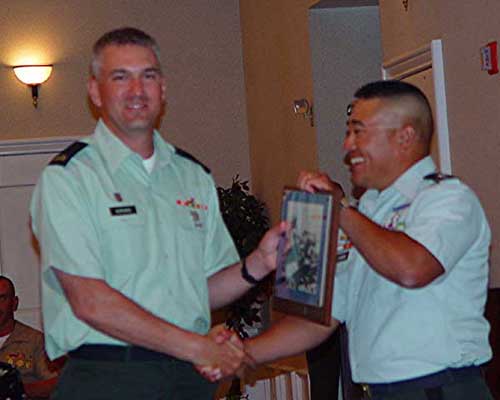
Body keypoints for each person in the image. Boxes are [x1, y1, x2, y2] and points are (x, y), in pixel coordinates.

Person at [29, 27, 284, 400]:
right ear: (95, 91)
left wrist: (259, 263)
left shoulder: (192, 176)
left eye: (148, 76)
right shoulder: (69, 178)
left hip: (187, 378)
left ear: (162, 89)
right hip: (109, 377)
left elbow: (201, 291)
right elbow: (91, 301)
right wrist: (197, 347)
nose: (137, 90)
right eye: (121, 77)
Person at [244, 80, 494, 400]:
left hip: (439, 388)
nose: (348, 145)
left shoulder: (447, 199)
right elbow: (323, 320)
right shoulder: (368, 214)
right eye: (349, 132)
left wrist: (341, 209)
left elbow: (412, 269)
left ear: (405, 136)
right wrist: (243, 353)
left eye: (359, 131)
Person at [0, 276, 59, 399]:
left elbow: (55, 384)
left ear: (14, 303)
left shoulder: (35, 341)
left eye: (2, 298)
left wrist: (16, 389)